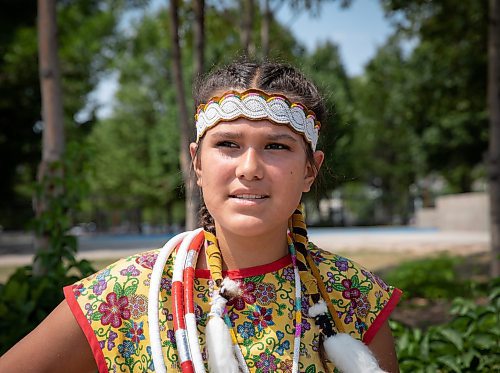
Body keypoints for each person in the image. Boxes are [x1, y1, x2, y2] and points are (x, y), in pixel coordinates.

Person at [0, 61, 402, 373]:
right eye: (228, 144)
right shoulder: (124, 294)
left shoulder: (350, 296)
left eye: (276, 146)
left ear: (311, 170)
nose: (250, 168)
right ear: (197, 162)